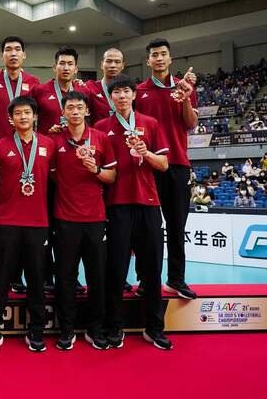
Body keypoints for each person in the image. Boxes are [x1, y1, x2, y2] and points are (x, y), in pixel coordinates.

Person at [94, 74, 173, 351]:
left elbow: (164, 164)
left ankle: (154, 328)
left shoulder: (150, 124)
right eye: (117, 92)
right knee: (115, 270)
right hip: (116, 206)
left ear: (134, 95)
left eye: (126, 91)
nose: (122, 96)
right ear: (111, 98)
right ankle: (114, 327)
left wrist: (146, 153)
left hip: (149, 205)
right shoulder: (102, 128)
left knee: (152, 271)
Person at [0, 95, 55, 353]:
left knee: (36, 280)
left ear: (35, 116)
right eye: (18, 114)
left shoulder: (49, 144)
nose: (23, 117)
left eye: (27, 113)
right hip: (6, 222)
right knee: (1, 279)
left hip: (38, 223)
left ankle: (36, 331)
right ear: (10, 119)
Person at [51, 91, 116, 351]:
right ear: (63, 113)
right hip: (64, 219)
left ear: (87, 111)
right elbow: (51, 176)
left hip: (95, 219)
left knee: (97, 277)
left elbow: (112, 176)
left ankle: (95, 329)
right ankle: (66, 330)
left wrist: (96, 171)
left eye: (80, 107)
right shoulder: (54, 140)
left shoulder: (100, 138)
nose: (75, 111)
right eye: (70, 108)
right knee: (65, 277)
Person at [134, 38, 198, 300]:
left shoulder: (184, 87)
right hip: (149, 165)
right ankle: (145, 281)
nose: (159, 58)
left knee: (175, 225)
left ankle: (176, 279)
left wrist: (184, 98)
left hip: (178, 164)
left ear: (170, 59)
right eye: (154, 55)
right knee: (147, 229)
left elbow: (191, 123)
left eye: (163, 54)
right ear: (148, 61)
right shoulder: (139, 91)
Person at [31, 46, 90, 293]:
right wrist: (47, 135)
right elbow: (28, 121)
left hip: (75, 168)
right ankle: (46, 276)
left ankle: (70, 275)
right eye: (61, 63)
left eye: (70, 64)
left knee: (70, 229)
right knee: (47, 224)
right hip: (47, 164)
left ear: (76, 68)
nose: (65, 67)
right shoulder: (39, 91)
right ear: (54, 67)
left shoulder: (84, 92)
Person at [0, 36, 40, 294]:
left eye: (18, 49)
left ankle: (19, 274)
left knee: (25, 215)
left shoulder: (34, 84)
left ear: (24, 55)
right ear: (2, 55)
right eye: (8, 50)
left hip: (27, 154)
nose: (13, 54)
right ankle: (0, 272)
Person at [86, 48, 124, 122]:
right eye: (109, 61)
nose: (113, 65)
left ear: (122, 65)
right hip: (98, 132)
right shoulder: (90, 87)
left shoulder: (130, 90)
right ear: (101, 65)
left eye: (117, 62)